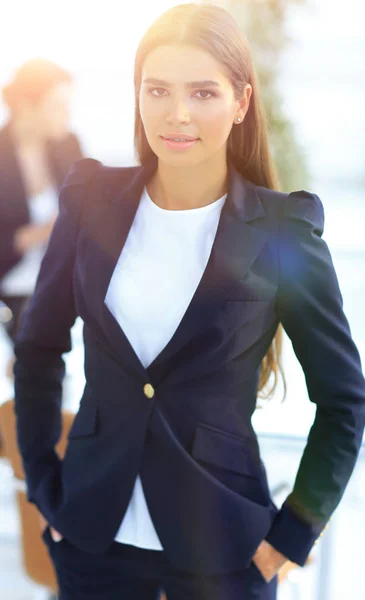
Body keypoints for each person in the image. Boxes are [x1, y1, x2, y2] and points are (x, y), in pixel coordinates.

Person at [12, 4, 365, 600]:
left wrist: (292, 534)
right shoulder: (90, 202)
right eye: (158, 90)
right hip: (92, 543)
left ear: (241, 103)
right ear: (139, 96)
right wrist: (44, 486)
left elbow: (343, 399)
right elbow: (39, 348)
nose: (177, 114)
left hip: (226, 553)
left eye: (203, 93)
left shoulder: (282, 233)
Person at [0, 57, 83, 355]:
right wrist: (40, 233)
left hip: (62, 284)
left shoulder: (68, 145)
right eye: (57, 107)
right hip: (12, 292)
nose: (67, 115)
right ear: (25, 107)